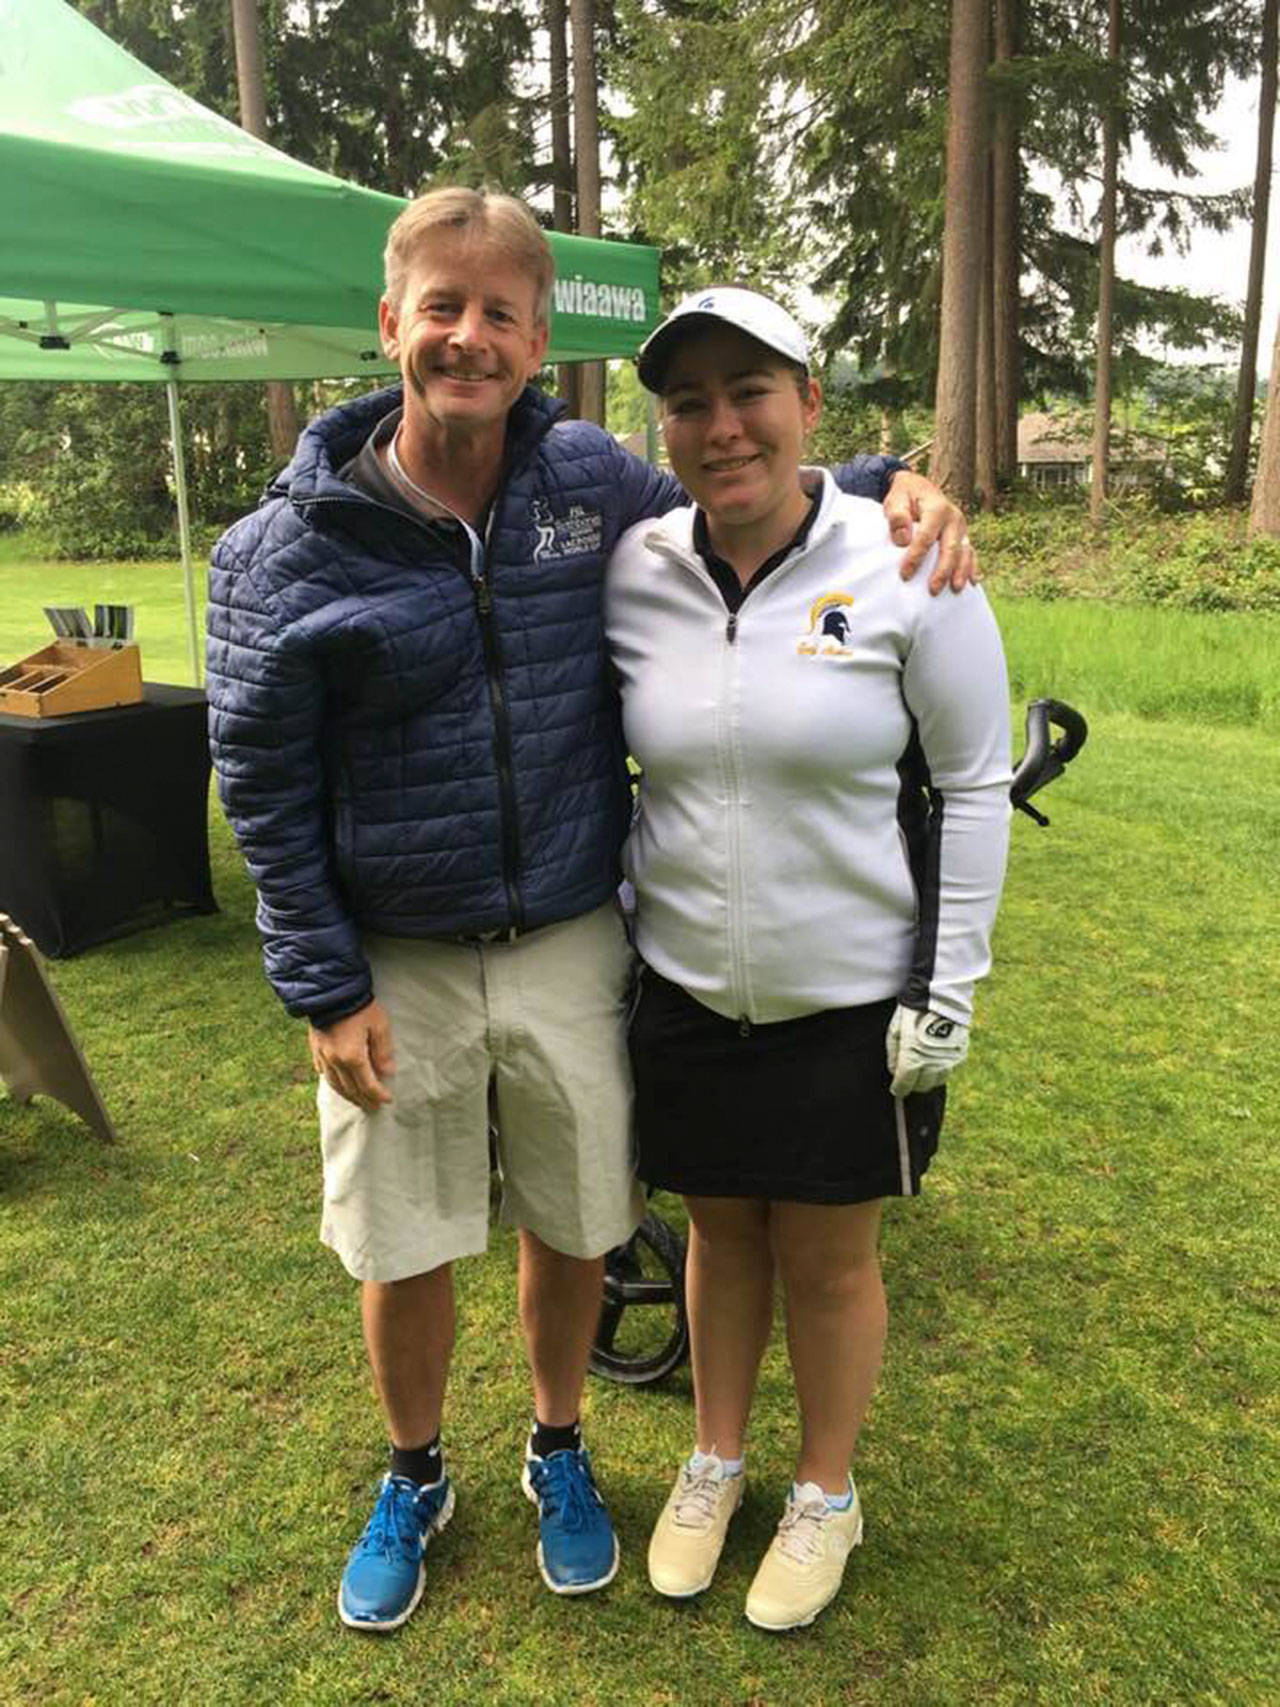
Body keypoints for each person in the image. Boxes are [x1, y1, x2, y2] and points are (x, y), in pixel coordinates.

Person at [205, 189, 975, 1634]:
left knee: (570, 1219)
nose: (469, 338)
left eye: (500, 313)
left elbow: (743, 482)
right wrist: (322, 981)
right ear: (390, 321)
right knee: (403, 1239)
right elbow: (259, 779)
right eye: (443, 307)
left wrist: (900, 484)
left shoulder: (586, 484)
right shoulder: (282, 549)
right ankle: (415, 1471)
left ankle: (558, 1444)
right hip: (397, 953)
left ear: (539, 339)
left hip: (570, 932)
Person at [605, 287, 1012, 1632]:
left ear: (809, 405)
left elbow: (973, 785)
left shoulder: (906, 565)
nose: (722, 426)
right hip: (684, 986)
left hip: (850, 998)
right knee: (722, 1235)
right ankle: (715, 1462)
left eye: (750, 393)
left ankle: (826, 1492)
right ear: (664, 428)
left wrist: (949, 987)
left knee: (830, 1262)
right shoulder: (636, 564)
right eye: (690, 402)